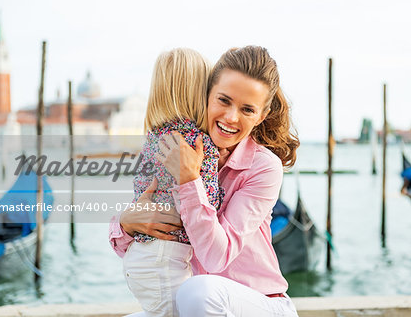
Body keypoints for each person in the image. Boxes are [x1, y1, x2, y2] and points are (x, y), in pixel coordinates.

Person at [110, 46, 300, 317]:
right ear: (206, 94)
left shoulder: (263, 167)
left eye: (247, 109)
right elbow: (149, 247)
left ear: (262, 115)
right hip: (199, 307)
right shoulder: (180, 146)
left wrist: (189, 180)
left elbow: (215, 257)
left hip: (258, 305)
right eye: (224, 100)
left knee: (198, 292)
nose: (231, 117)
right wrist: (126, 224)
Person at [113, 48, 223, 317]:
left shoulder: (152, 138)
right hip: (165, 260)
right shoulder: (198, 144)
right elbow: (208, 203)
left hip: (141, 256)